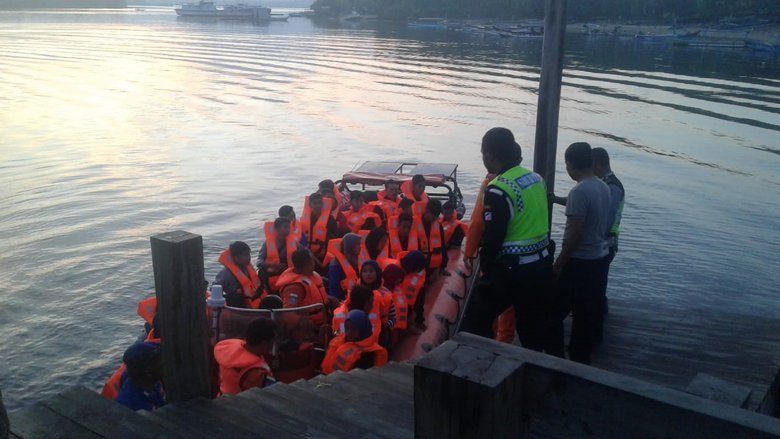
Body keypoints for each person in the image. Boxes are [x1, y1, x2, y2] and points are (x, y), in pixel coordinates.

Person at [460, 127, 558, 354]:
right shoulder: (536, 179)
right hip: (541, 266)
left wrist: (486, 271)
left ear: (489, 155)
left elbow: (493, 238)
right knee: (531, 331)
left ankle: (480, 365)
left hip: (513, 271)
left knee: (474, 320)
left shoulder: (498, 188)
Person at [550, 142, 612, 365]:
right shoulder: (603, 187)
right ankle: (580, 359)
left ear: (570, 164)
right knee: (584, 315)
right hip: (599, 259)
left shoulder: (579, 191)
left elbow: (575, 233)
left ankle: (555, 361)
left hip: (579, 263)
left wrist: (558, 264)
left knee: (553, 313)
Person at [214, 318, 276, 395]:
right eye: (272, 342)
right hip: (239, 405)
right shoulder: (256, 374)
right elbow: (271, 395)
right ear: (264, 343)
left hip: (221, 398)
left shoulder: (228, 350)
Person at [276, 249, 337, 326]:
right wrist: (305, 324)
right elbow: (288, 313)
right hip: (312, 327)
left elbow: (316, 296)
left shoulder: (312, 276)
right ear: (307, 263)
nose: (314, 263)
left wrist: (330, 300)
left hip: (325, 320)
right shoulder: (295, 288)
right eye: (312, 260)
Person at [322, 310, 388, 374]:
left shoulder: (367, 354)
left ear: (362, 329)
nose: (348, 332)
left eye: (353, 329)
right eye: (347, 328)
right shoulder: (342, 340)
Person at [115, 342, 165, 411]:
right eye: (162, 365)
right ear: (149, 371)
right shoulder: (130, 405)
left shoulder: (149, 382)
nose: (166, 367)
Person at [258, 217, 301, 293]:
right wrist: (274, 265)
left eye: (288, 227)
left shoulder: (294, 243)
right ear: (277, 229)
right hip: (272, 276)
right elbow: (259, 262)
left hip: (289, 275)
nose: (288, 230)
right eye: (285, 227)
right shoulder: (267, 244)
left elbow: (304, 255)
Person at [216, 241, 262, 308]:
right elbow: (215, 289)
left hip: (253, 303)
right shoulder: (225, 273)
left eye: (249, 254)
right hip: (237, 305)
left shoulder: (247, 269)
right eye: (245, 255)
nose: (249, 258)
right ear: (235, 257)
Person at [301, 192, 339, 266]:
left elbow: (333, 240)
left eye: (319, 203)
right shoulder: (304, 220)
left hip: (323, 257)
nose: (318, 206)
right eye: (315, 203)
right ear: (310, 205)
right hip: (307, 256)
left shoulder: (330, 219)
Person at [359, 260, 396, 337]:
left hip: (381, 335)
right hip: (360, 336)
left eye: (371, 271)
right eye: (365, 271)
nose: (368, 274)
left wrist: (384, 327)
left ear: (378, 273)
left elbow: (393, 317)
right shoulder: (356, 292)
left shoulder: (385, 293)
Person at [327, 233, 362, 300]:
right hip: (342, 301)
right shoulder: (336, 264)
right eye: (357, 244)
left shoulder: (356, 259)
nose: (360, 247)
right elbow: (334, 288)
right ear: (350, 246)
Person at [399, 250, 427, 330]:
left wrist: (419, 320)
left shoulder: (418, 277)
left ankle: (415, 322)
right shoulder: (395, 272)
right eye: (418, 269)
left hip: (410, 300)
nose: (419, 271)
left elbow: (420, 301)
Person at [418, 199, 448, 272]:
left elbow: (442, 245)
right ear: (427, 211)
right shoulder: (415, 224)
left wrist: (443, 265)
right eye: (434, 216)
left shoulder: (438, 226)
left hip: (432, 264)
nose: (435, 219)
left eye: (437, 217)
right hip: (418, 262)